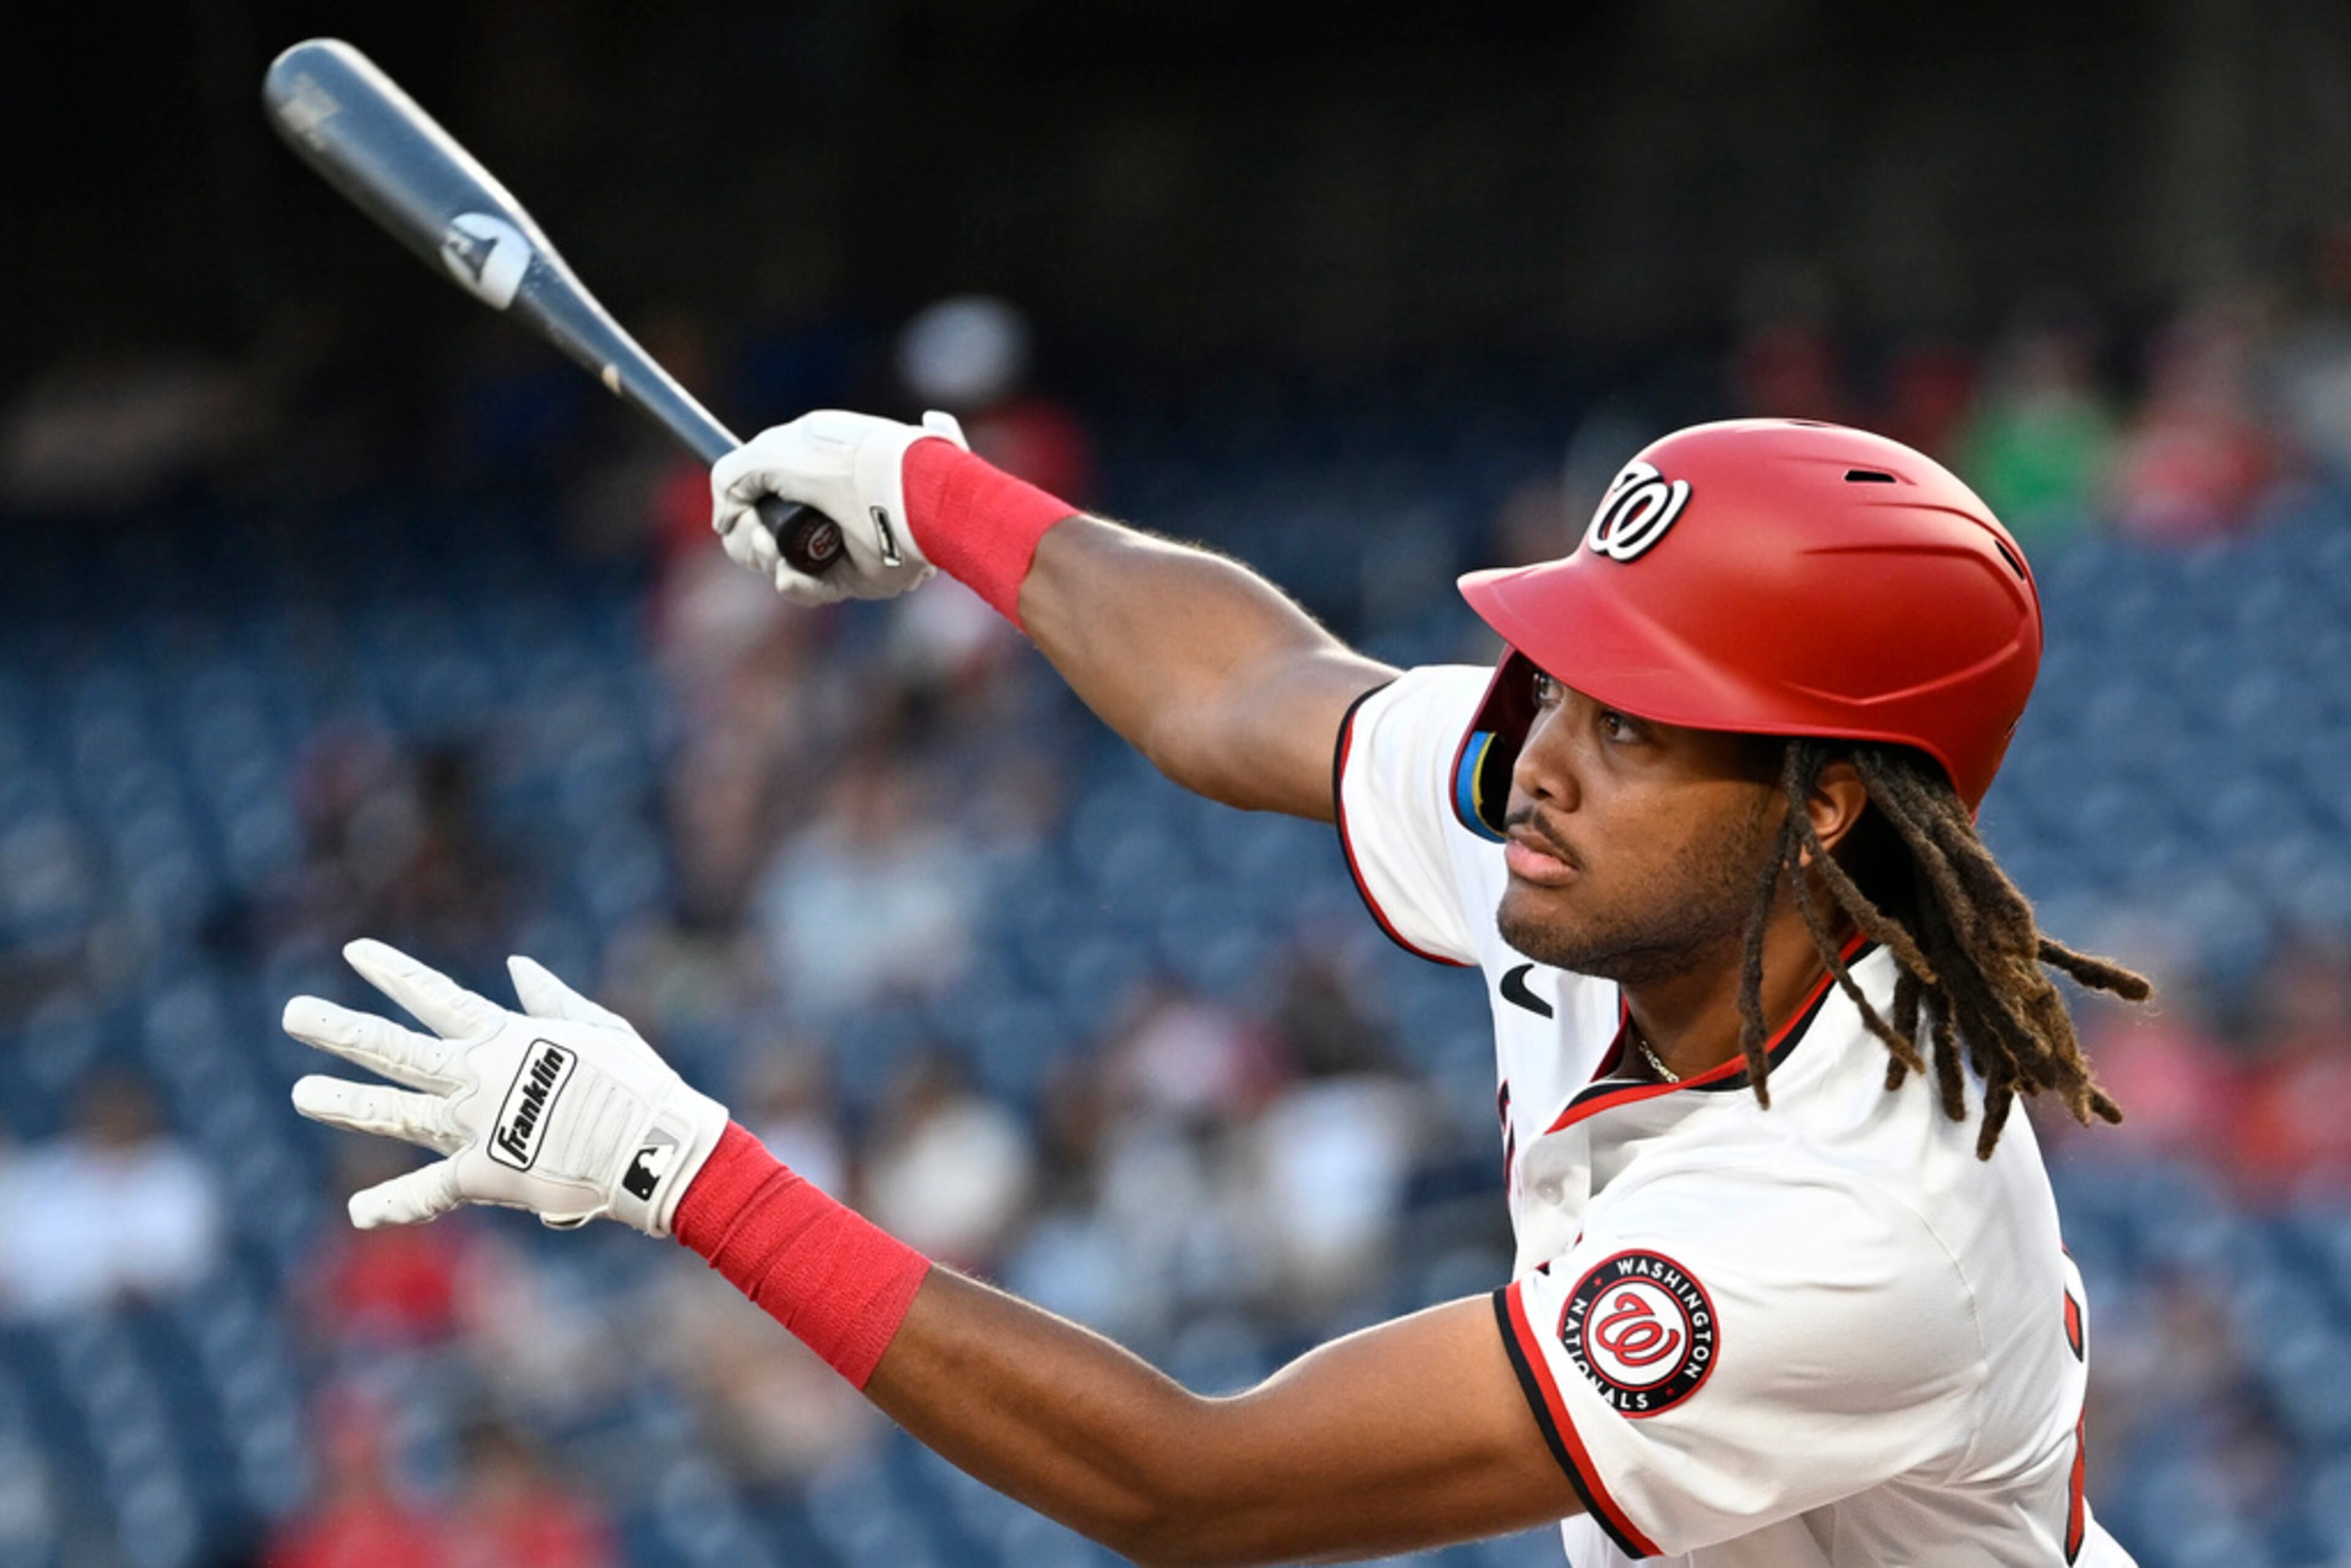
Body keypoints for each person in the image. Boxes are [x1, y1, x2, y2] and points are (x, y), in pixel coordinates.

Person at [284, 413, 2151, 1565]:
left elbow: (1191, 1484)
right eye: (1566, 677)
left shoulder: (1852, 1222)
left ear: (1825, 804)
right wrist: (940, 499)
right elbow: (1248, 694)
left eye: (1640, 718)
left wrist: (682, 1166)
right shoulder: (1611, 843)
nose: (1544, 753)